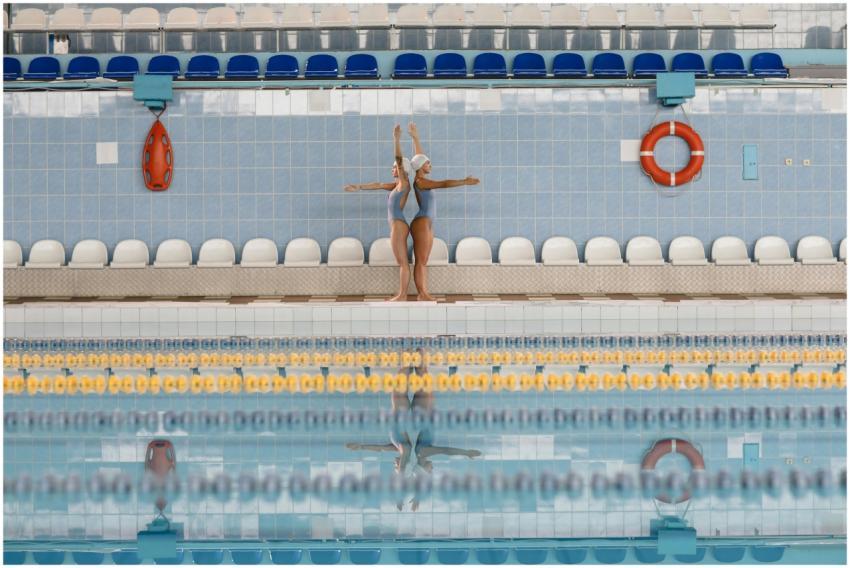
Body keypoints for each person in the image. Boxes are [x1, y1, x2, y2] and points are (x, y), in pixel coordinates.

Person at [345, 352, 481, 510]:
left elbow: (381, 449)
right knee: (418, 372)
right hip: (419, 413)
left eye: (430, 470)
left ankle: (413, 350)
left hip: (414, 412)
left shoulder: (409, 451)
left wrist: (361, 447)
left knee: (415, 372)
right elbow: (445, 451)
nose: (433, 468)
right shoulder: (415, 451)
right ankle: (414, 349)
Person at [407, 123, 480, 301]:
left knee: (424, 261)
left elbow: (419, 158)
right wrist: (464, 181)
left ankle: (424, 292)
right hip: (422, 222)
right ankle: (422, 294)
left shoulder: (421, 176)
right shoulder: (420, 182)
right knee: (421, 261)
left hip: (428, 223)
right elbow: (444, 183)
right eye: (428, 163)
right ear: (420, 167)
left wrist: (416, 138)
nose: (430, 164)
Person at [345, 125, 412, 301]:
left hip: (398, 225)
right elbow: (378, 184)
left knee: (402, 262)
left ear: (402, 170)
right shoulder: (396, 186)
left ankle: (402, 295)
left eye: (395, 167)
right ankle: (401, 293)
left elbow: (398, 159)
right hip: (397, 225)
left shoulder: (404, 184)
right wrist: (358, 187)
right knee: (401, 262)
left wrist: (396, 139)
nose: (392, 169)